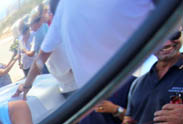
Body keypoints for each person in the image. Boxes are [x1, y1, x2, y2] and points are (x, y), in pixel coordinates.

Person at [15, 0, 154, 98]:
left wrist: (27, 86)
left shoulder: (64, 9)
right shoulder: (64, 9)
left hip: (95, 89)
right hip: (109, 82)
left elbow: (39, 60)